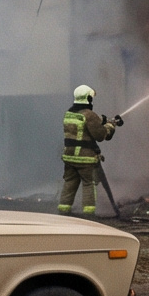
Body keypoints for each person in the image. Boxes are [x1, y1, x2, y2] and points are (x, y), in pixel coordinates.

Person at [59, 86, 120, 216]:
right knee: (88, 184)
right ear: (88, 98)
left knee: (69, 183)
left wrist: (101, 120)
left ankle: (63, 211)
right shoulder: (89, 115)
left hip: (69, 157)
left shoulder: (69, 114)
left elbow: (85, 127)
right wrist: (110, 126)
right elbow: (101, 135)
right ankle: (88, 215)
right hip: (85, 158)